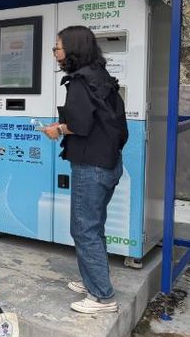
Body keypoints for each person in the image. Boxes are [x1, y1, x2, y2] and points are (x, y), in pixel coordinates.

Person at [43, 25, 127, 314]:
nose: (55, 52)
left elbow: (79, 125)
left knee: (83, 228)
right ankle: (92, 280)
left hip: (92, 166)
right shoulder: (101, 76)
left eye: (58, 47)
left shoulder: (80, 81)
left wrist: (57, 129)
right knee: (94, 225)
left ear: (73, 49)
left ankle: (102, 297)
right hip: (109, 162)